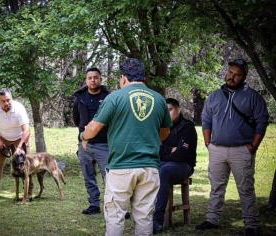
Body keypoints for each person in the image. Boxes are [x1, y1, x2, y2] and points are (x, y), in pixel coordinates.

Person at [81, 58, 172, 236]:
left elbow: (93, 129)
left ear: (123, 78)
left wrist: (83, 135)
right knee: (144, 217)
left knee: (115, 217)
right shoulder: (159, 99)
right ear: (143, 77)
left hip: (121, 167)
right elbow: (165, 132)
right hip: (149, 168)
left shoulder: (114, 97)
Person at [196, 59, 269, 236]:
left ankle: (251, 224)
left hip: (241, 150)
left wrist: (253, 146)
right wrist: (208, 143)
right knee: (216, 187)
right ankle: (212, 219)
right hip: (217, 150)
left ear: (244, 77)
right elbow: (205, 120)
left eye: (236, 75)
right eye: (230, 72)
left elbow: (262, 122)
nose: (231, 77)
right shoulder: (214, 96)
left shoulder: (253, 97)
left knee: (246, 189)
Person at [153, 98, 197, 234]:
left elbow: (181, 155)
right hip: (164, 163)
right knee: (146, 169)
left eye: (170, 109)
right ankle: (143, 216)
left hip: (183, 166)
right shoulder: (161, 127)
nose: (167, 113)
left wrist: (164, 151)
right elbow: (154, 149)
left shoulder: (187, 127)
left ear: (179, 110)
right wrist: (170, 150)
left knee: (163, 171)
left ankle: (157, 221)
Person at [0, 88, 31, 201]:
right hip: (3, 138)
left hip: (20, 138)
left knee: (25, 165)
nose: (6, 103)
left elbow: (26, 130)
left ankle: (27, 193)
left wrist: (19, 148)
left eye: (8, 100)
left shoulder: (19, 108)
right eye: (3, 101)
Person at [73, 67, 110, 214]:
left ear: (100, 79)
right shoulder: (80, 97)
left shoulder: (109, 97)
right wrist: (83, 133)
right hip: (85, 144)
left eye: (96, 77)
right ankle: (94, 204)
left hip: (105, 143)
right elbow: (76, 119)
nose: (93, 80)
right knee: (89, 176)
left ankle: (112, 206)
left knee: (109, 177)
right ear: (86, 80)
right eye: (90, 78)